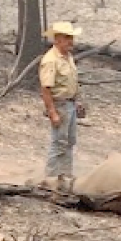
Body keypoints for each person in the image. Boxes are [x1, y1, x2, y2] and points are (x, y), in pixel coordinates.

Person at [39, 21, 85, 179]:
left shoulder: (68, 57)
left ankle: (65, 175)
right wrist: (52, 112)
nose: (70, 41)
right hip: (60, 105)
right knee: (58, 142)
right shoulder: (50, 60)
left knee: (70, 141)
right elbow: (46, 89)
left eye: (71, 37)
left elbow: (71, 81)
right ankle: (50, 178)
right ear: (57, 39)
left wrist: (77, 101)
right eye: (67, 37)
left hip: (70, 103)